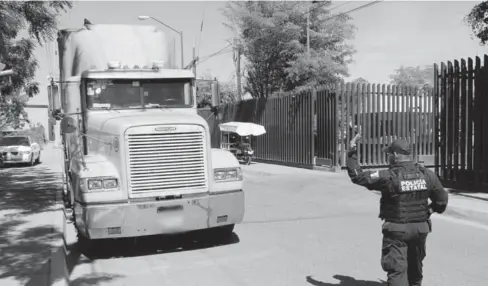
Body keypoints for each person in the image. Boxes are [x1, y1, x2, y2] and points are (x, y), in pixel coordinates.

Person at [346, 134, 448, 286]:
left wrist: (352, 152)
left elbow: (358, 176)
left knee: (397, 271)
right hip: (420, 228)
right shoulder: (427, 174)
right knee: (415, 269)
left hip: (397, 230)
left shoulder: (387, 176)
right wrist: (430, 210)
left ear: (394, 155)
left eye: (388, 154)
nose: (388, 157)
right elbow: (442, 201)